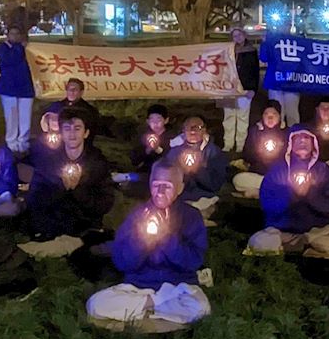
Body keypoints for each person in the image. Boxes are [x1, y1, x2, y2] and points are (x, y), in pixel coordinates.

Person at [86, 163, 211, 326]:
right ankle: (156, 307)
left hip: (177, 287)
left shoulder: (191, 217)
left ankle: (142, 311)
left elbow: (193, 262)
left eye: (167, 186)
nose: (160, 192)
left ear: (179, 189)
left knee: (201, 308)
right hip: (139, 288)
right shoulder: (137, 215)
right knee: (96, 304)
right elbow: (122, 262)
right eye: (156, 185)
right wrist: (141, 242)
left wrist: (168, 239)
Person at [249, 126, 329, 256]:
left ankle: (298, 245)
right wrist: (293, 195)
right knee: (258, 242)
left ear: (313, 143)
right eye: (298, 138)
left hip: (316, 231)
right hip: (283, 231)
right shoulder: (278, 169)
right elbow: (267, 204)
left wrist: (310, 195)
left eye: (306, 138)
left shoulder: (322, 170)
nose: (302, 141)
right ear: (290, 143)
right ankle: (306, 247)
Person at [25, 108, 116, 252]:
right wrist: (62, 188)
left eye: (77, 128)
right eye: (67, 129)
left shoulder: (97, 162)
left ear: (86, 133)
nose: (72, 134)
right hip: (54, 220)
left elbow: (105, 203)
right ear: (61, 133)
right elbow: (34, 196)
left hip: (84, 222)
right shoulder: (49, 161)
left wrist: (77, 190)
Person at [161, 116, 229, 218]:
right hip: (180, 196)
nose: (193, 131)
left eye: (197, 127)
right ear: (183, 131)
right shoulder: (175, 152)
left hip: (204, 196)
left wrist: (198, 170)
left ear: (204, 130)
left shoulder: (214, 153)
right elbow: (166, 176)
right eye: (189, 128)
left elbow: (215, 184)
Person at [0, 25, 36, 155]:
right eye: (12, 33)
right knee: (11, 117)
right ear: (7, 35)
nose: (15, 36)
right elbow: (10, 59)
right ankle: (11, 143)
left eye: (18, 34)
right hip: (9, 89)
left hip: (25, 88)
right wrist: (20, 47)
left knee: (25, 117)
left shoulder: (26, 49)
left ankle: (23, 142)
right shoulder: (2, 48)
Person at [232, 102, 287, 199]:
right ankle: (271, 190)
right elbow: (247, 155)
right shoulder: (255, 132)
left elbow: (289, 157)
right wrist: (260, 153)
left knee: (290, 181)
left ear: (279, 116)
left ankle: (258, 193)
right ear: (262, 117)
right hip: (258, 174)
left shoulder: (287, 133)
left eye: (274, 114)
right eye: (266, 114)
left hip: (278, 175)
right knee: (238, 180)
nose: (270, 118)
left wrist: (277, 154)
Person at [113, 104, 171, 187]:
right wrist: (147, 150)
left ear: (166, 120)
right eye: (152, 119)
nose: (155, 123)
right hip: (146, 169)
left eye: (159, 119)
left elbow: (172, 157)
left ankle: (127, 177)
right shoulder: (144, 136)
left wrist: (158, 149)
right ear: (147, 121)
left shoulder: (172, 136)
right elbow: (135, 159)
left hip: (166, 171)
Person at [220, 28, 259, 152]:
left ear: (244, 35)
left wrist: (253, 89)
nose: (237, 38)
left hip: (245, 89)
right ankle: (228, 143)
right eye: (235, 36)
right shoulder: (226, 51)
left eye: (239, 35)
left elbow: (255, 72)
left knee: (242, 117)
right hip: (228, 89)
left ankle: (240, 145)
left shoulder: (251, 51)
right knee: (228, 117)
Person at [263, 35, 302, 126]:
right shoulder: (271, 40)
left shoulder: (296, 41)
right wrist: (265, 43)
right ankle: (278, 136)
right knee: (276, 111)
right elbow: (263, 57)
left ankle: (294, 136)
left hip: (292, 83)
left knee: (292, 112)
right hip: (275, 83)